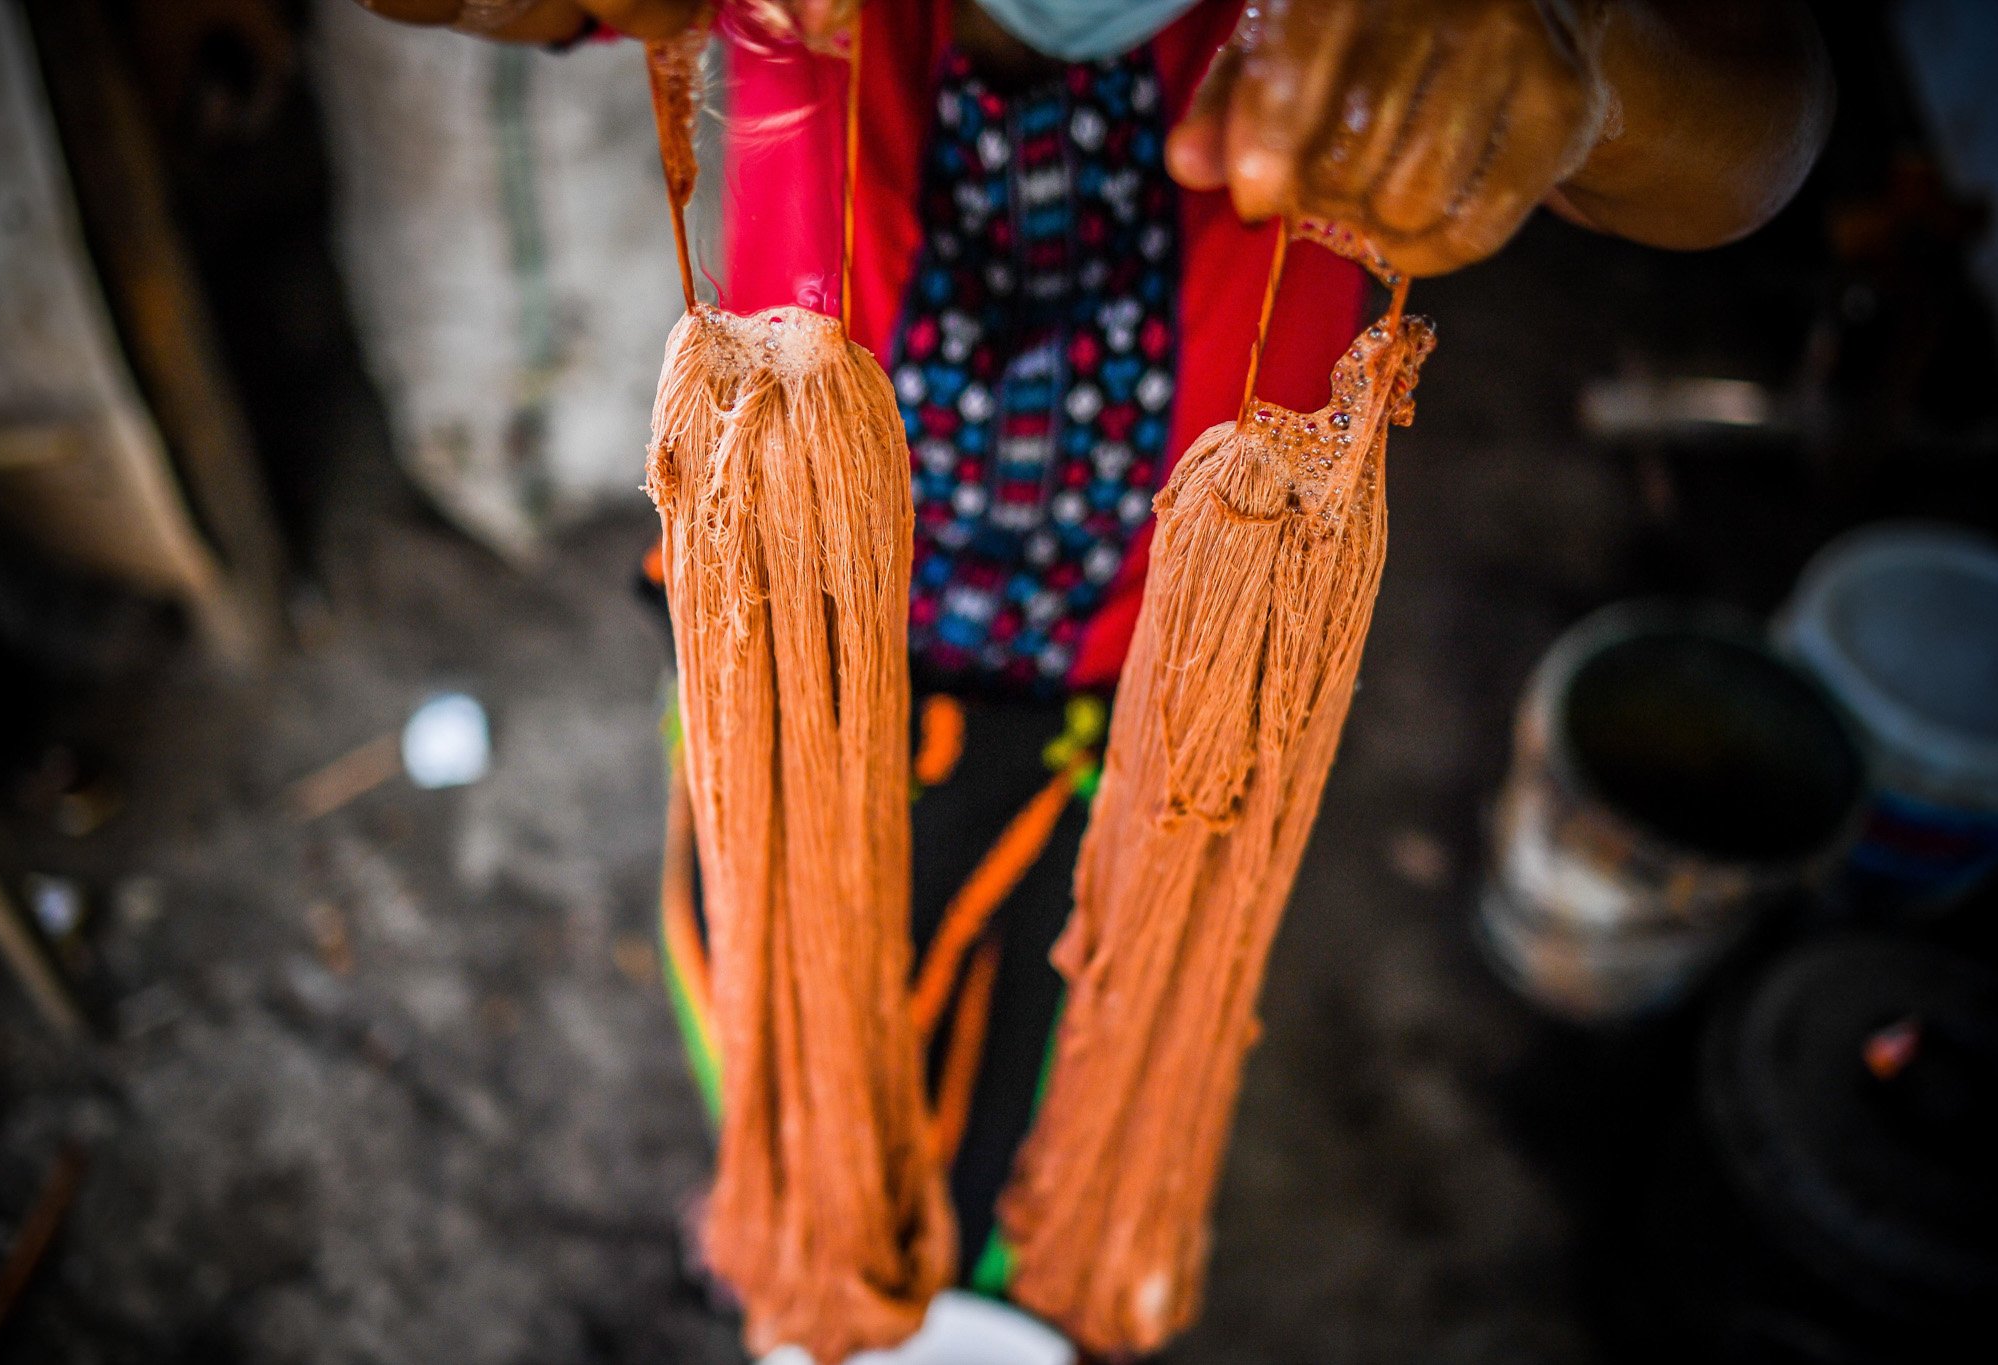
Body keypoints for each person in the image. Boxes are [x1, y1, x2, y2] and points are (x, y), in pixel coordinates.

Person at [358, 0, 1835, 1345]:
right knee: (763, 1002)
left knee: (1048, 1109)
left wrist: (1576, 62)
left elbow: (1763, 129)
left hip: (1149, 709)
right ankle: (792, 1213)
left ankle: (987, 1296)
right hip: (791, 639)